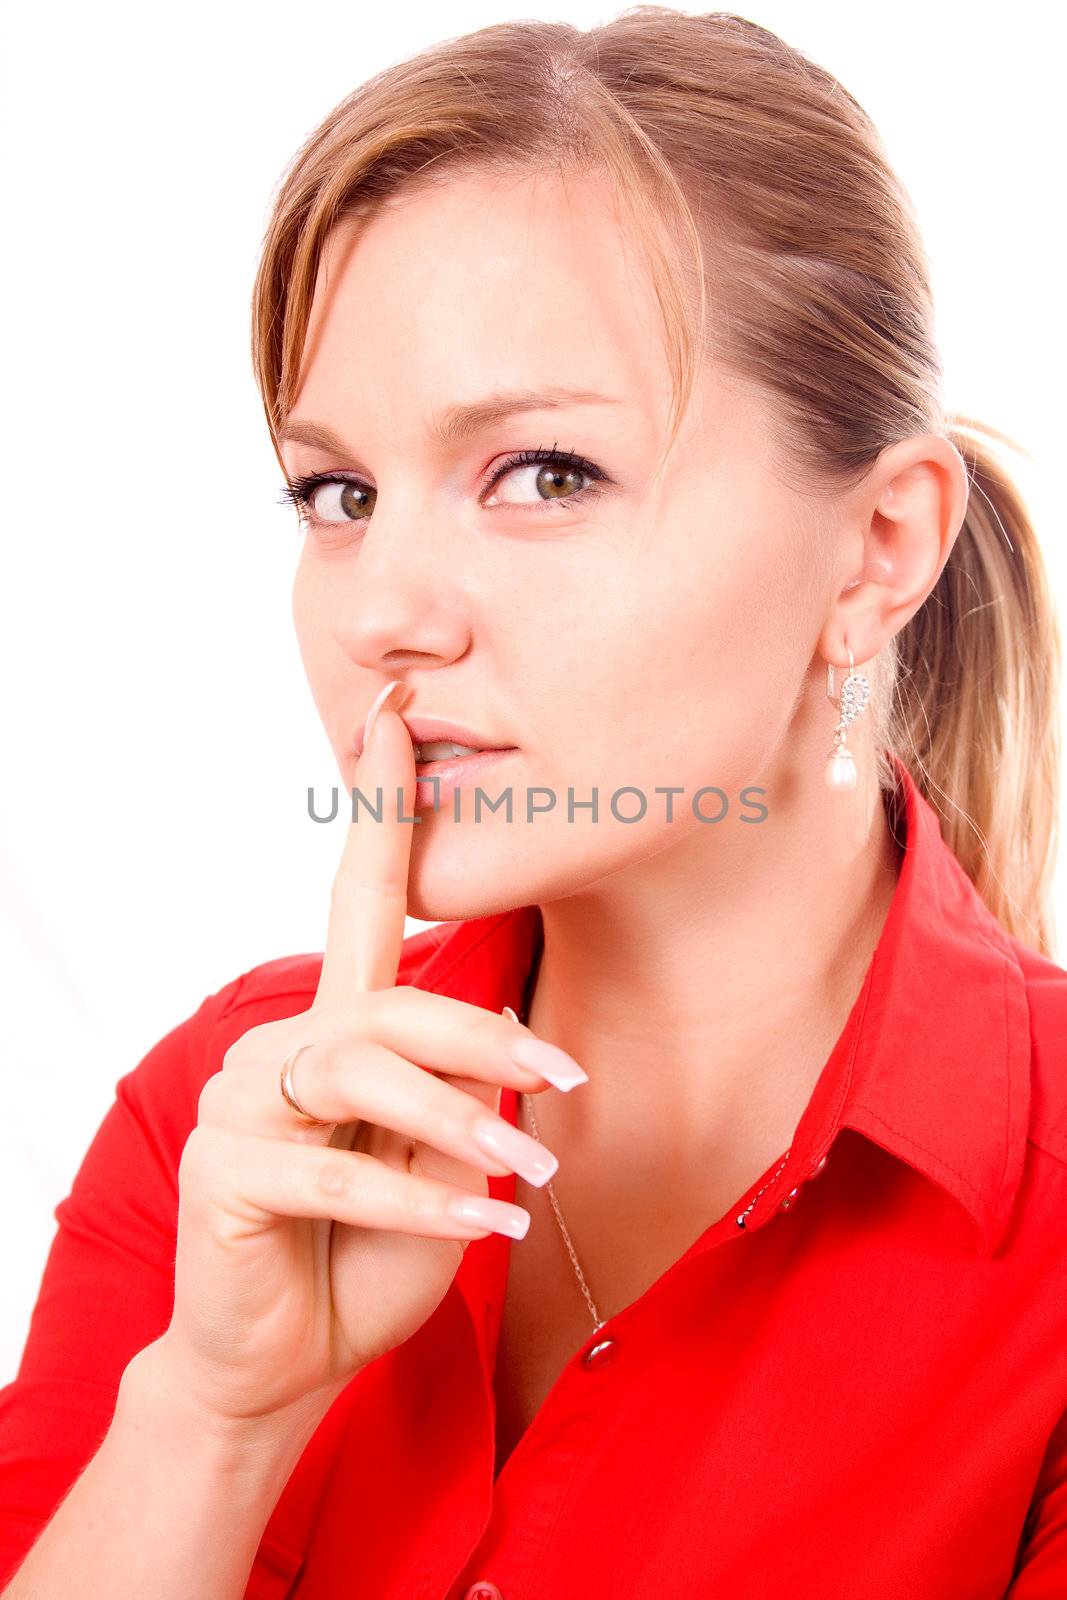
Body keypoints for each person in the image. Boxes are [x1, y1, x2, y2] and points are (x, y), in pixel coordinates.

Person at [1, 8, 1065, 1597]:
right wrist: (212, 1422)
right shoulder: (221, 1120)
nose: (385, 613)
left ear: (879, 548)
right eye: (339, 495)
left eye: (545, 474)